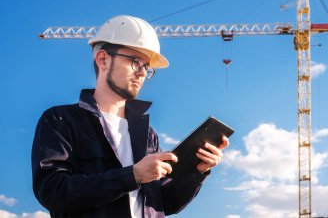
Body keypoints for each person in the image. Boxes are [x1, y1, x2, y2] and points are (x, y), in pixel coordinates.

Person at [32, 15, 229, 218]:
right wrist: (132, 175)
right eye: (136, 62)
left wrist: (197, 172)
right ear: (102, 59)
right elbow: (52, 191)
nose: (142, 73)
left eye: (147, 67)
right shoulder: (60, 120)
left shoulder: (148, 135)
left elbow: (164, 203)